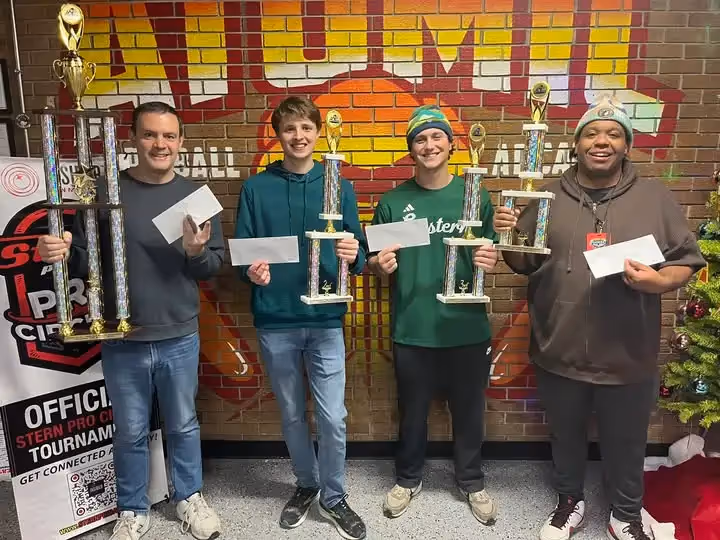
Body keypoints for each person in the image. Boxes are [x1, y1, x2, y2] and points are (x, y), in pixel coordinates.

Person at [493, 95, 705, 540]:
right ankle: (569, 502)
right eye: (591, 133)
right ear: (576, 144)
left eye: (613, 134)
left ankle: (625, 514)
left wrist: (659, 282)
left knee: (627, 439)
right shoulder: (548, 196)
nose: (601, 141)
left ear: (627, 145)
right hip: (559, 346)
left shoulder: (653, 197)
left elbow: (685, 261)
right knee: (565, 435)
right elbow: (524, 262)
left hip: (628, 351)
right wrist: (507, 233)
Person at [37, 102, 224, 540]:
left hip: (179, 334)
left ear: (181, 142)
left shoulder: (196, 197)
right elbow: (85, 261)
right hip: (122, 337)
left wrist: (196, 252)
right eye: (150, 134)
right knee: (130, 431)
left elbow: (213, 266)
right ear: (133, 140)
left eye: (169, 136)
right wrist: (59, 254)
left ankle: (189, 497)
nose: (160, 144)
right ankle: (132, 508)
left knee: (183, 424)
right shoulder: (106, 194)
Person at [234, 96, 367, 540]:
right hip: (276, 319)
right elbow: (244, 253)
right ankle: (307, 484)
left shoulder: (338, 185)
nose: (299, 136)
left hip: (326, 318)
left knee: (333, 418)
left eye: (306, 128)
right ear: (278, 135)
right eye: (290, 129)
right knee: (292, 415)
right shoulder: (256, 189)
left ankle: (334, 496)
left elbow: (359, 252)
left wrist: (354, 252)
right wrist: (251, 271)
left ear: (317, 133)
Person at [367, 105, 500, 525]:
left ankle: (471, 480)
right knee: (412, 412)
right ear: (412, 150)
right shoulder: (393, 202)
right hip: (414, 327)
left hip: (467, 327)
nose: (429, 145)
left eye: (437, 136)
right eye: (420, 139)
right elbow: (375, 258)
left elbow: (492, 248)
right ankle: (408, 478)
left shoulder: (474, 194)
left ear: (451, 144)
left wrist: (492, 257)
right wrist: (378, 264)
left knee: (469, 412)